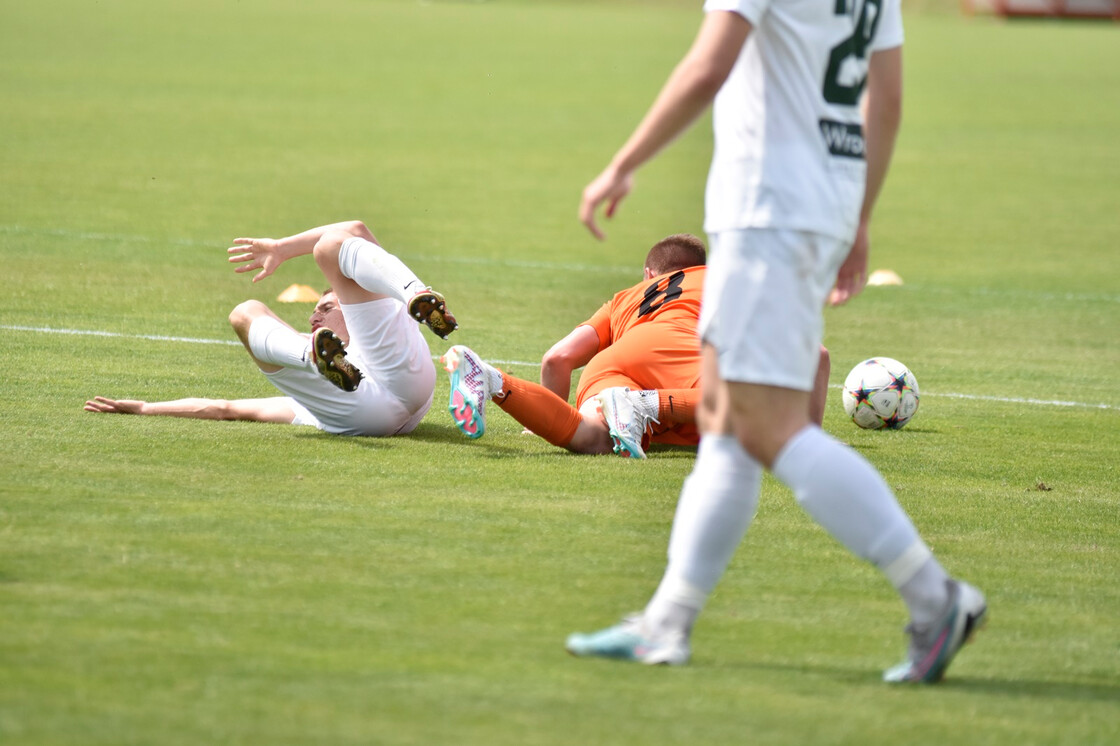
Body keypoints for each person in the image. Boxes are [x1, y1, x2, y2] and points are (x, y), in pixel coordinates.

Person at [565, 0, 986, 683]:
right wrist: (859, 215)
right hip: (818, 206)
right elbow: (888, 98)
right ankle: (666, 625)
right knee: (731, 427)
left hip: (766, 212)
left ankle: (936, 597)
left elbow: (708, 67)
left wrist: (622, 163)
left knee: (770, 430)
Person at [441, 233, 831, 458]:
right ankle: (643, 405)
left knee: (592, 437)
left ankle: (492, 380)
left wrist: (539, 423)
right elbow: (817, 356)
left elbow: (557, 358)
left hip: (614, 363)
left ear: (649, 274)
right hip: (676, 353)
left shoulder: (627, 296)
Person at [85, 220, 456, 438]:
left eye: (325, 308)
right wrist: (147, 408)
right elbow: (225, 408)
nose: (314, 317)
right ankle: (409, 296)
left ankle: (413, 298)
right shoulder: (310, 398)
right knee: (259, 302)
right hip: (384, 394)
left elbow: (354, 229)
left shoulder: (378, 306)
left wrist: (280, 248)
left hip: (364, 414)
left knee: (253, 307)